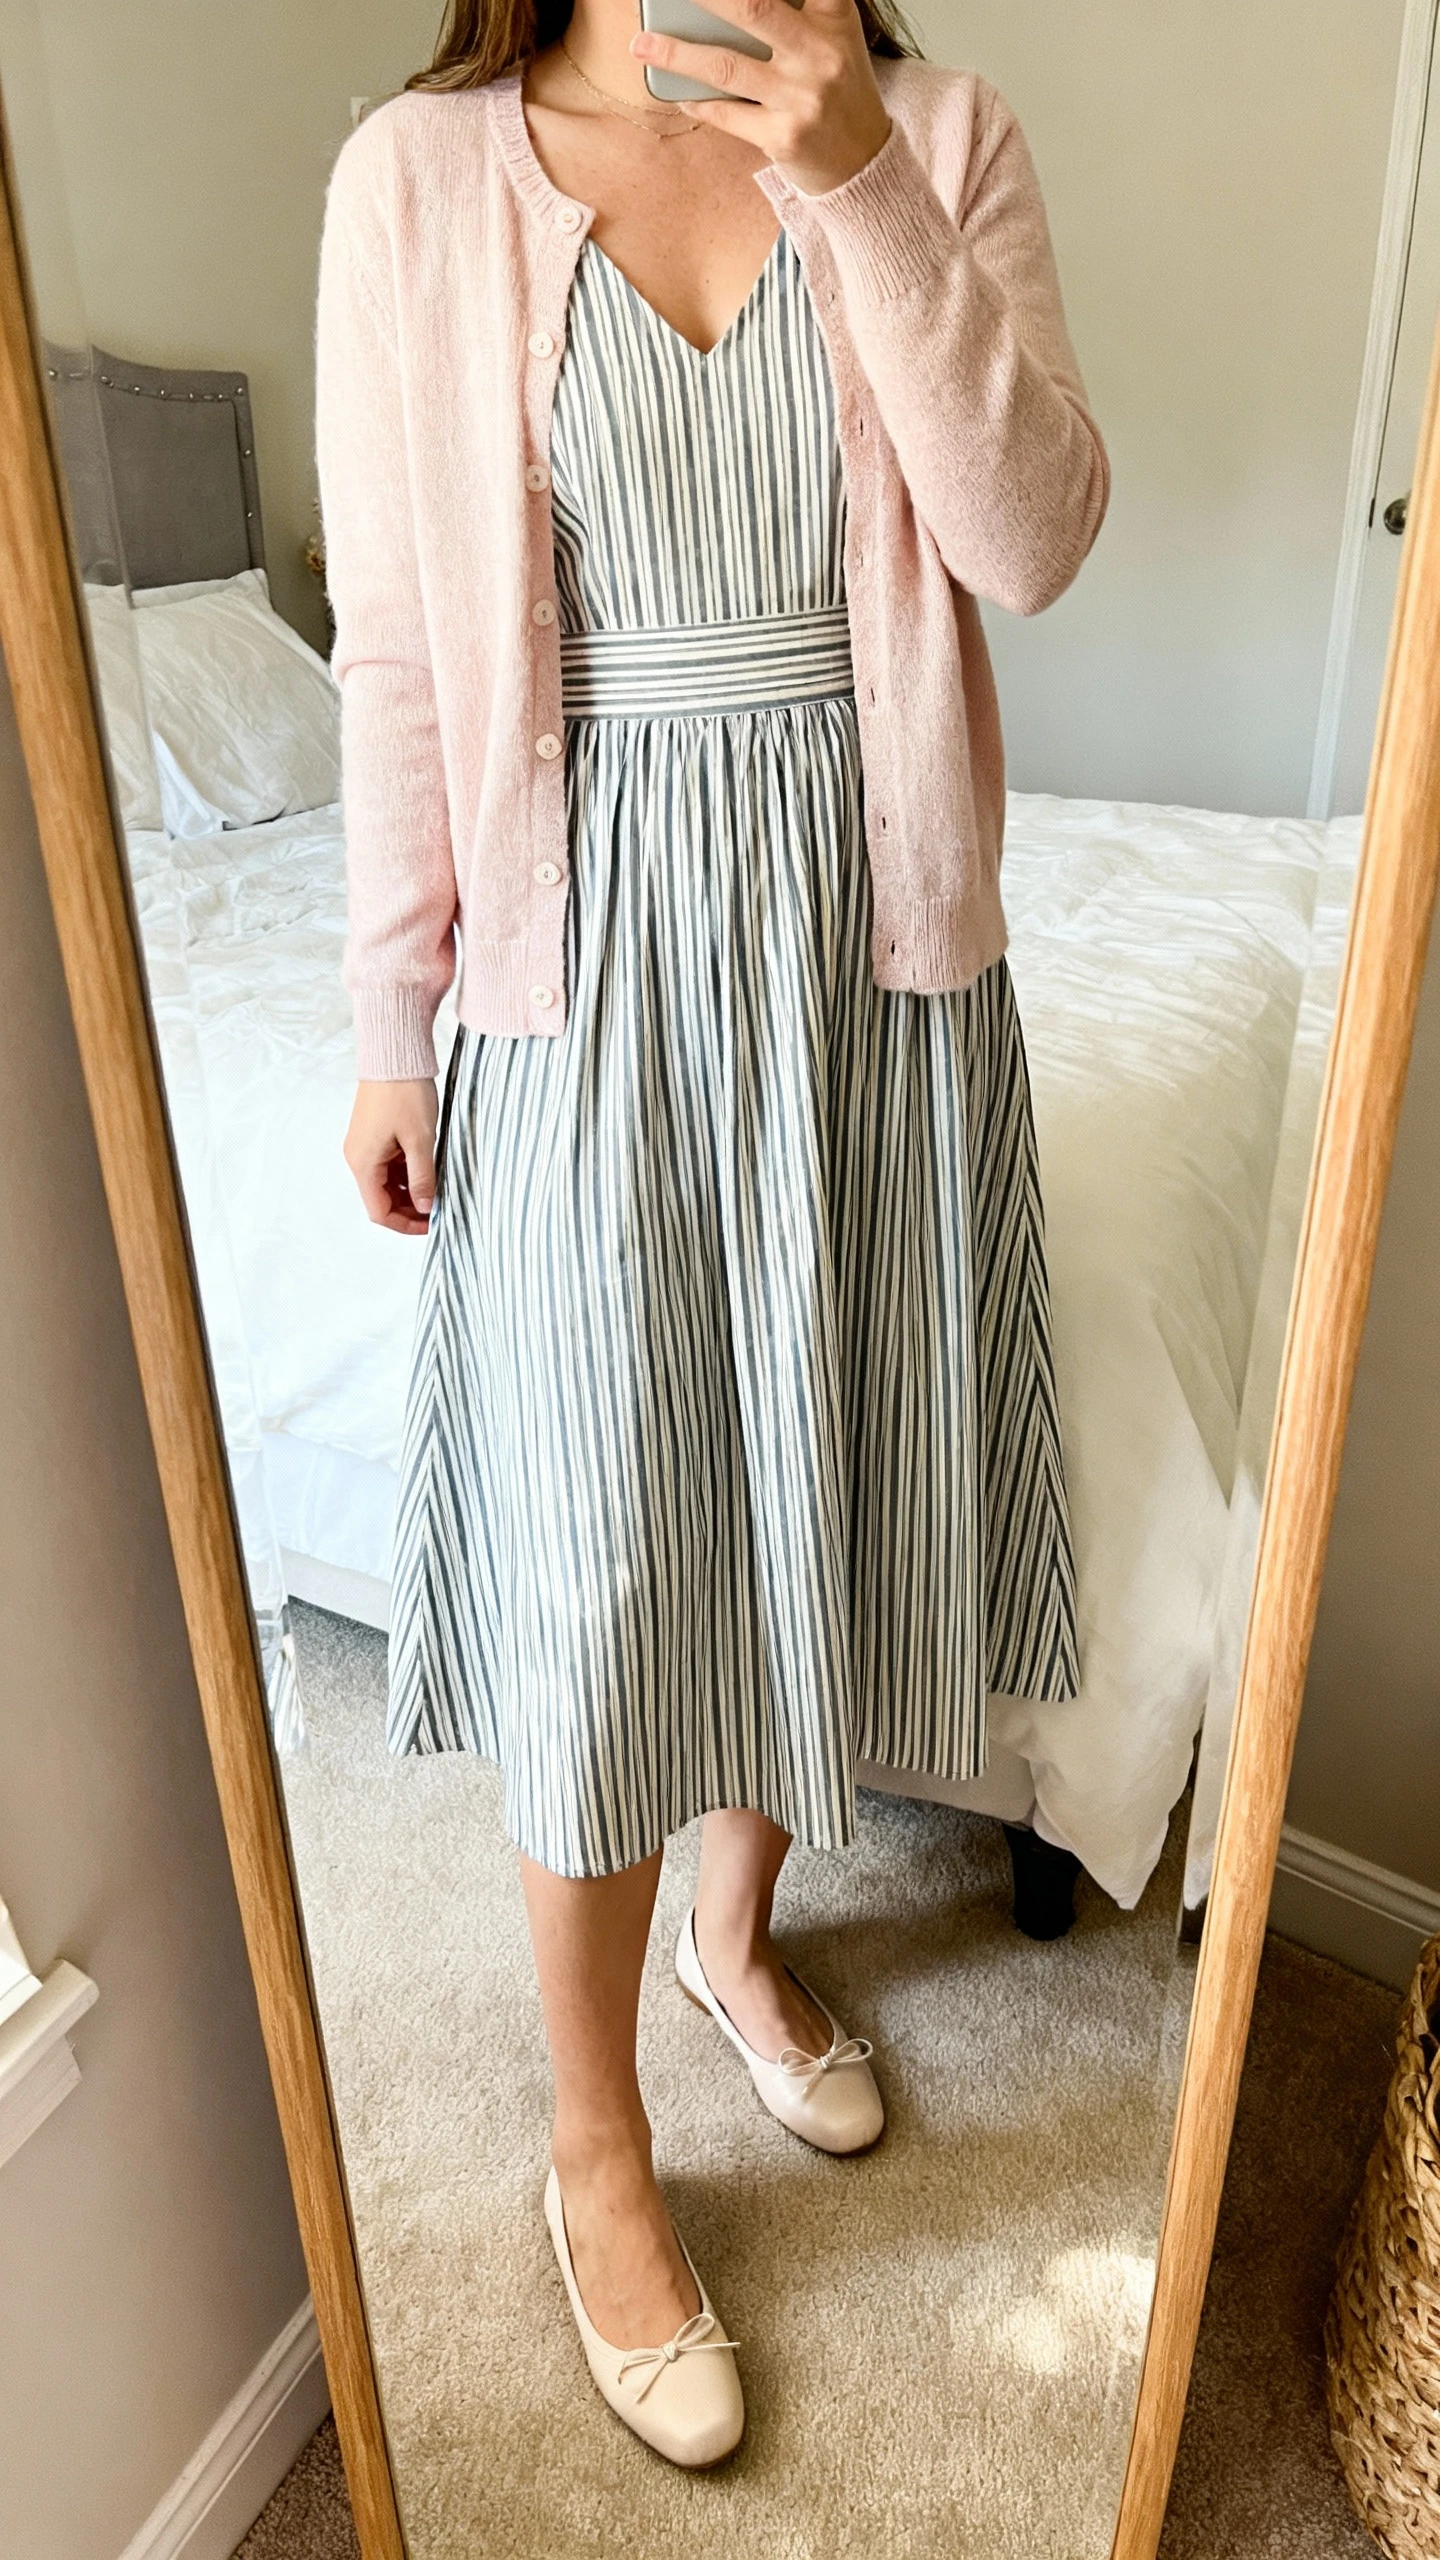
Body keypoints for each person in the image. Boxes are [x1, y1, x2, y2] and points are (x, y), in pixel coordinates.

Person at [316, 0, 1106, 2469]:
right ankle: (593, 2142)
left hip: (872, 959)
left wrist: (860, 182)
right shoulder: (418, 176)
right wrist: (390, 1013)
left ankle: (733, 1936)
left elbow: (1036, 541)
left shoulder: (940, 134)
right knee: (609, 1555)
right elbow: (401, 649)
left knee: (812, 1475)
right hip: (582, 970)